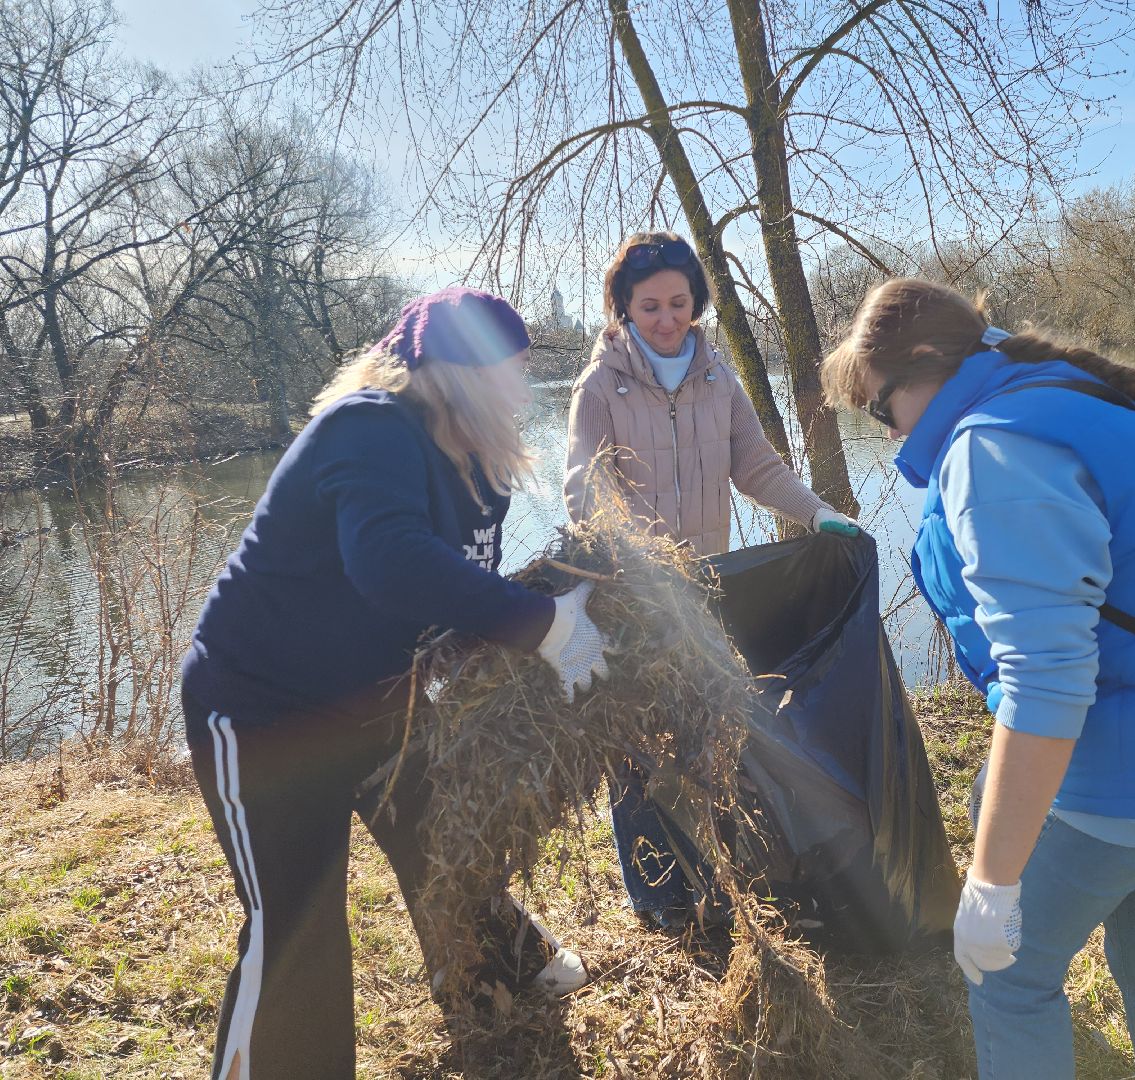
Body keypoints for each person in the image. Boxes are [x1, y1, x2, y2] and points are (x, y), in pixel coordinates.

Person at [821, 278, 1135, 1080]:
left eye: (883, 411)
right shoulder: (1073, 398)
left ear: (924, 363)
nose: (890, 433)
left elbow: (1048, 683)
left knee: (1009, 978)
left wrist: (989, 887)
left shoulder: (995, 450)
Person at [181, 287, 612, 1080]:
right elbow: (391, 564)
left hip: (378, 701)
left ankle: (506, 975)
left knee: (448, 841)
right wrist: (544, 624)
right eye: (508, 368)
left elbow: (450, 592)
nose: (520, 385)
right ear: (455, 370)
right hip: (260, 708)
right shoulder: (369, 428)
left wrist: (518, 639)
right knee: (298, 923)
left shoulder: (479, 464)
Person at [564, 231, 857, 928]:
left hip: (705, 590)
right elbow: (582, 487)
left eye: (678, 302)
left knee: (711, 735)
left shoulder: (718, 379)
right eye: (649, 306)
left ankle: (721, 884)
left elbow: (755, 466)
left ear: (696, 300)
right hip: (631, 596)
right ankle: (658, 901)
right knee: (636, 750)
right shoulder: (601, 384)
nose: (666, 319)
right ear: (624, 309)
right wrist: (634, 556)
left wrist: (819, 516)